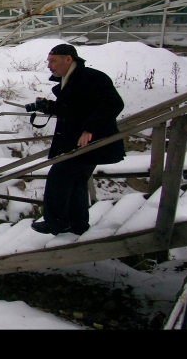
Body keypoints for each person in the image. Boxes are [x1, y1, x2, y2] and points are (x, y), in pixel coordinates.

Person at [31, 45, 125, 236]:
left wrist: (90, 128)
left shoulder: (92, 78)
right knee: (76, 184)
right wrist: (49, 107)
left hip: (88, 143)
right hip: (77, 143)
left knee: (59, 179)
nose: (49, 66)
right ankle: (78, 225)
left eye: (53, 61)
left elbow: (114, 103)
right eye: (48, 61)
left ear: (68, 59)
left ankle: (56, 223)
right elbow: (75, 108)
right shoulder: (72, 79)